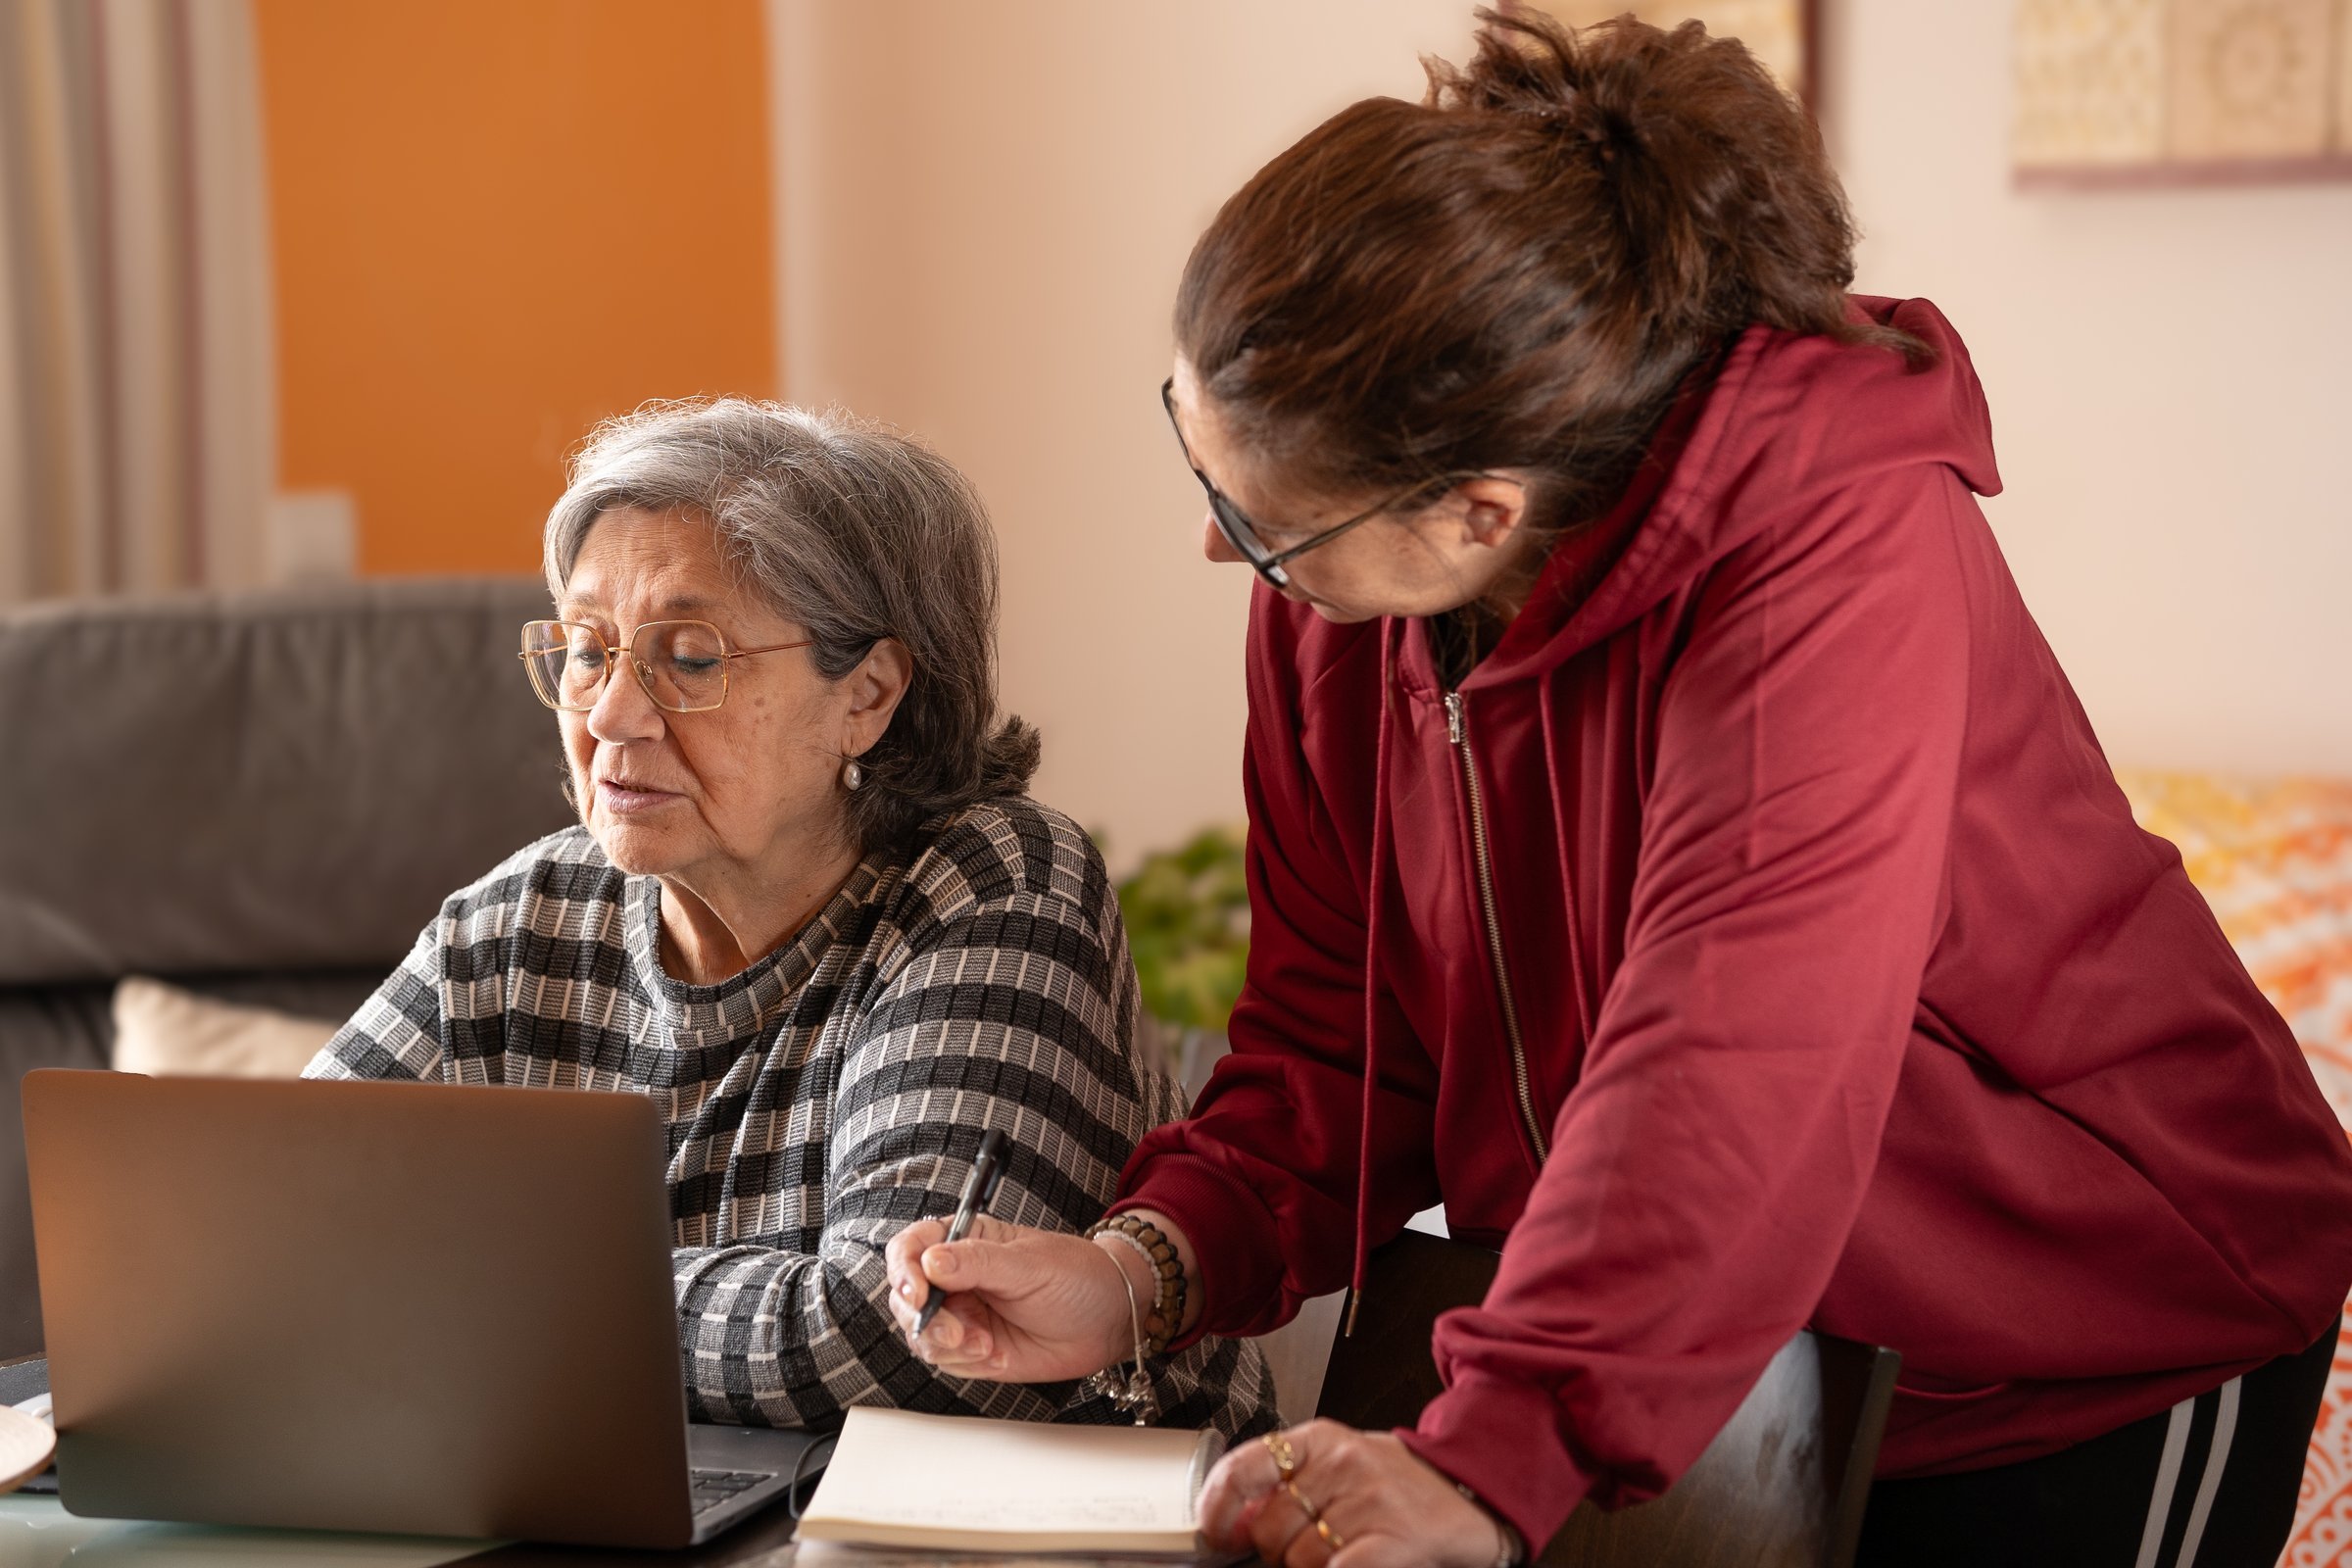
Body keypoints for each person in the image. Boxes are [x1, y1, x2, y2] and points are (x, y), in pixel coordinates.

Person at [884, 13, 2352, 1566]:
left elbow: (1736, 1055)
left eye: (1260, 524)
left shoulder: (1832, 546)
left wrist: (1488, 1458)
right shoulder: (1342, 590)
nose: (1222, 548)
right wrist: (1147, 1267)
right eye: (1204, 467)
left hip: (2073, 1332)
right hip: (1712, 1360)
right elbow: (1338, 1031)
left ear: (1476, 510)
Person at [306, 399, 1277, 1442]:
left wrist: (471, 1293)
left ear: (866, 695)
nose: (609, 715)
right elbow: (267, 1231)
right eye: (588, 649)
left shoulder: (997, 889)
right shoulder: (518, 924)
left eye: (689, 657)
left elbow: (889, 1335)